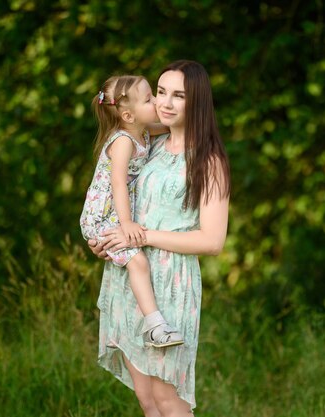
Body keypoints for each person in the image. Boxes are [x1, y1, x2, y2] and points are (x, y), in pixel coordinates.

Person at [87, 60, 230, 416]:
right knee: (148, 401)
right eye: (160, 92)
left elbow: (212, 241)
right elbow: (119, 196)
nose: (165, 102)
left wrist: (143, 236)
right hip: (131, 279)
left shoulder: (208, 161)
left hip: (171, 283)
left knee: (170, 400)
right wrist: (107, 240)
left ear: (197, 101)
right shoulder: (149, 144)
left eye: (178, 95)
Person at [80, 74, 184, 348]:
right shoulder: (123, 140)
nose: (156, 102)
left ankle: (130, 325)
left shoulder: (144, 131)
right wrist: (125, 223)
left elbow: (174, 128)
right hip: (102, 215)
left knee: (133, 262)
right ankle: (155, 327)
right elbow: (117, 181)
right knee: (137, 262)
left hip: (115, 214)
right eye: (150, 99)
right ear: (128, 115)